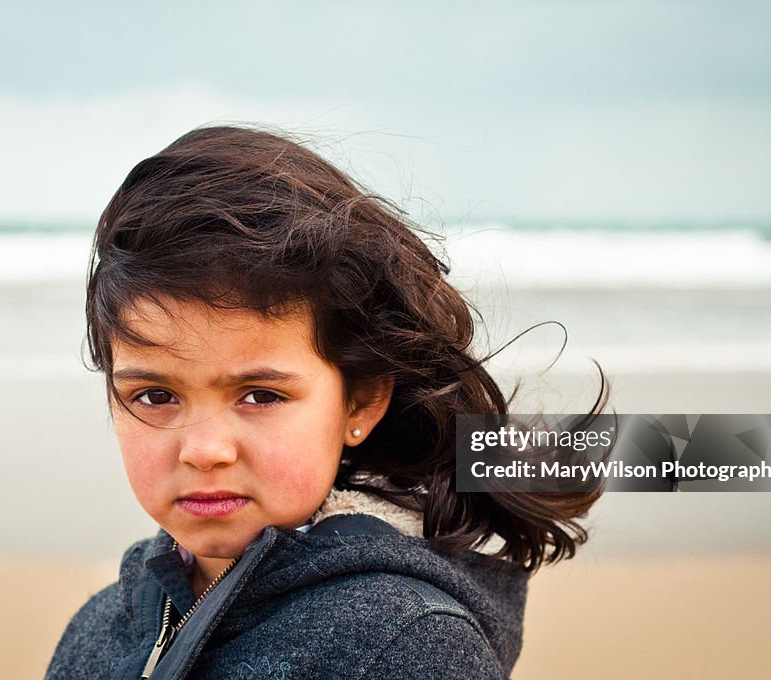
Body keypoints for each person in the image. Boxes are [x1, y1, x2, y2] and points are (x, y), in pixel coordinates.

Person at [45, 125, 605, 679]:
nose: (205, 450)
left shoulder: (406, 645)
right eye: (156, 395)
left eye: (261, 395)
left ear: (360, 403)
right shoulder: (98, 629)